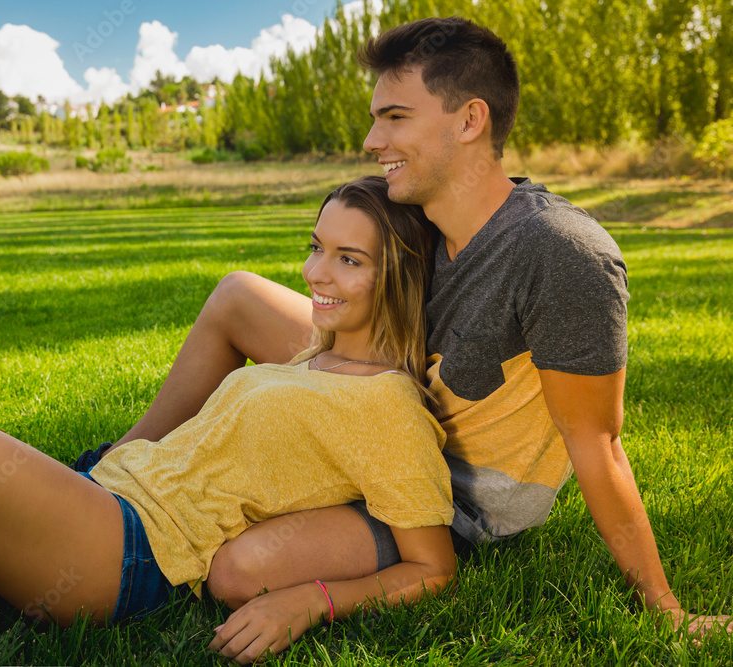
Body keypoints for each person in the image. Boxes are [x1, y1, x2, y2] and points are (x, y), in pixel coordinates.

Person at [85, 16, 731, 662]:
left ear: (470, 120)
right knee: (240, 296)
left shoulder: (559, 254)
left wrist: (665, 609)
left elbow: (599, 445)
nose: (372, 140)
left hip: (447, 491)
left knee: (243, 567)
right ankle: (120, 465)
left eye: (394, 117)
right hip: (390, 402)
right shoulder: (422, 216)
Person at [0, 176, 457, 659]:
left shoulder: (387, 406)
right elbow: (240, 301)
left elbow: (432, 568)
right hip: (97, 492)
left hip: (124, 552)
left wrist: (310, 600)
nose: (313, 273)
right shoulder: (319, 350)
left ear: (399, 273)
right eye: (315, 246)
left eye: (347, 259)